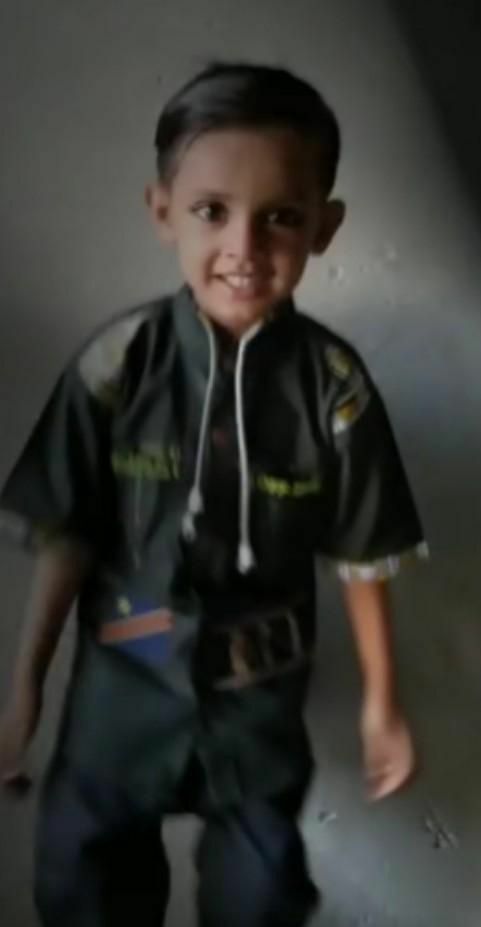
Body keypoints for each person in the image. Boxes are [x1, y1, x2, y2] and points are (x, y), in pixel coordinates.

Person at [0, 61, 427, 926]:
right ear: (162, 210)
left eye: (280, 217)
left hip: (256, 717)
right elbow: (66, 535)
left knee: (260, 899)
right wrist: (24, 691)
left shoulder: (333, 388)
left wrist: (383, 702)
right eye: (210, 210)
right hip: (118, 706)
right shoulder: (119, 365)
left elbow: (362, 552)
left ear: (323, 226)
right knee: (84, 892)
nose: (243, 247)